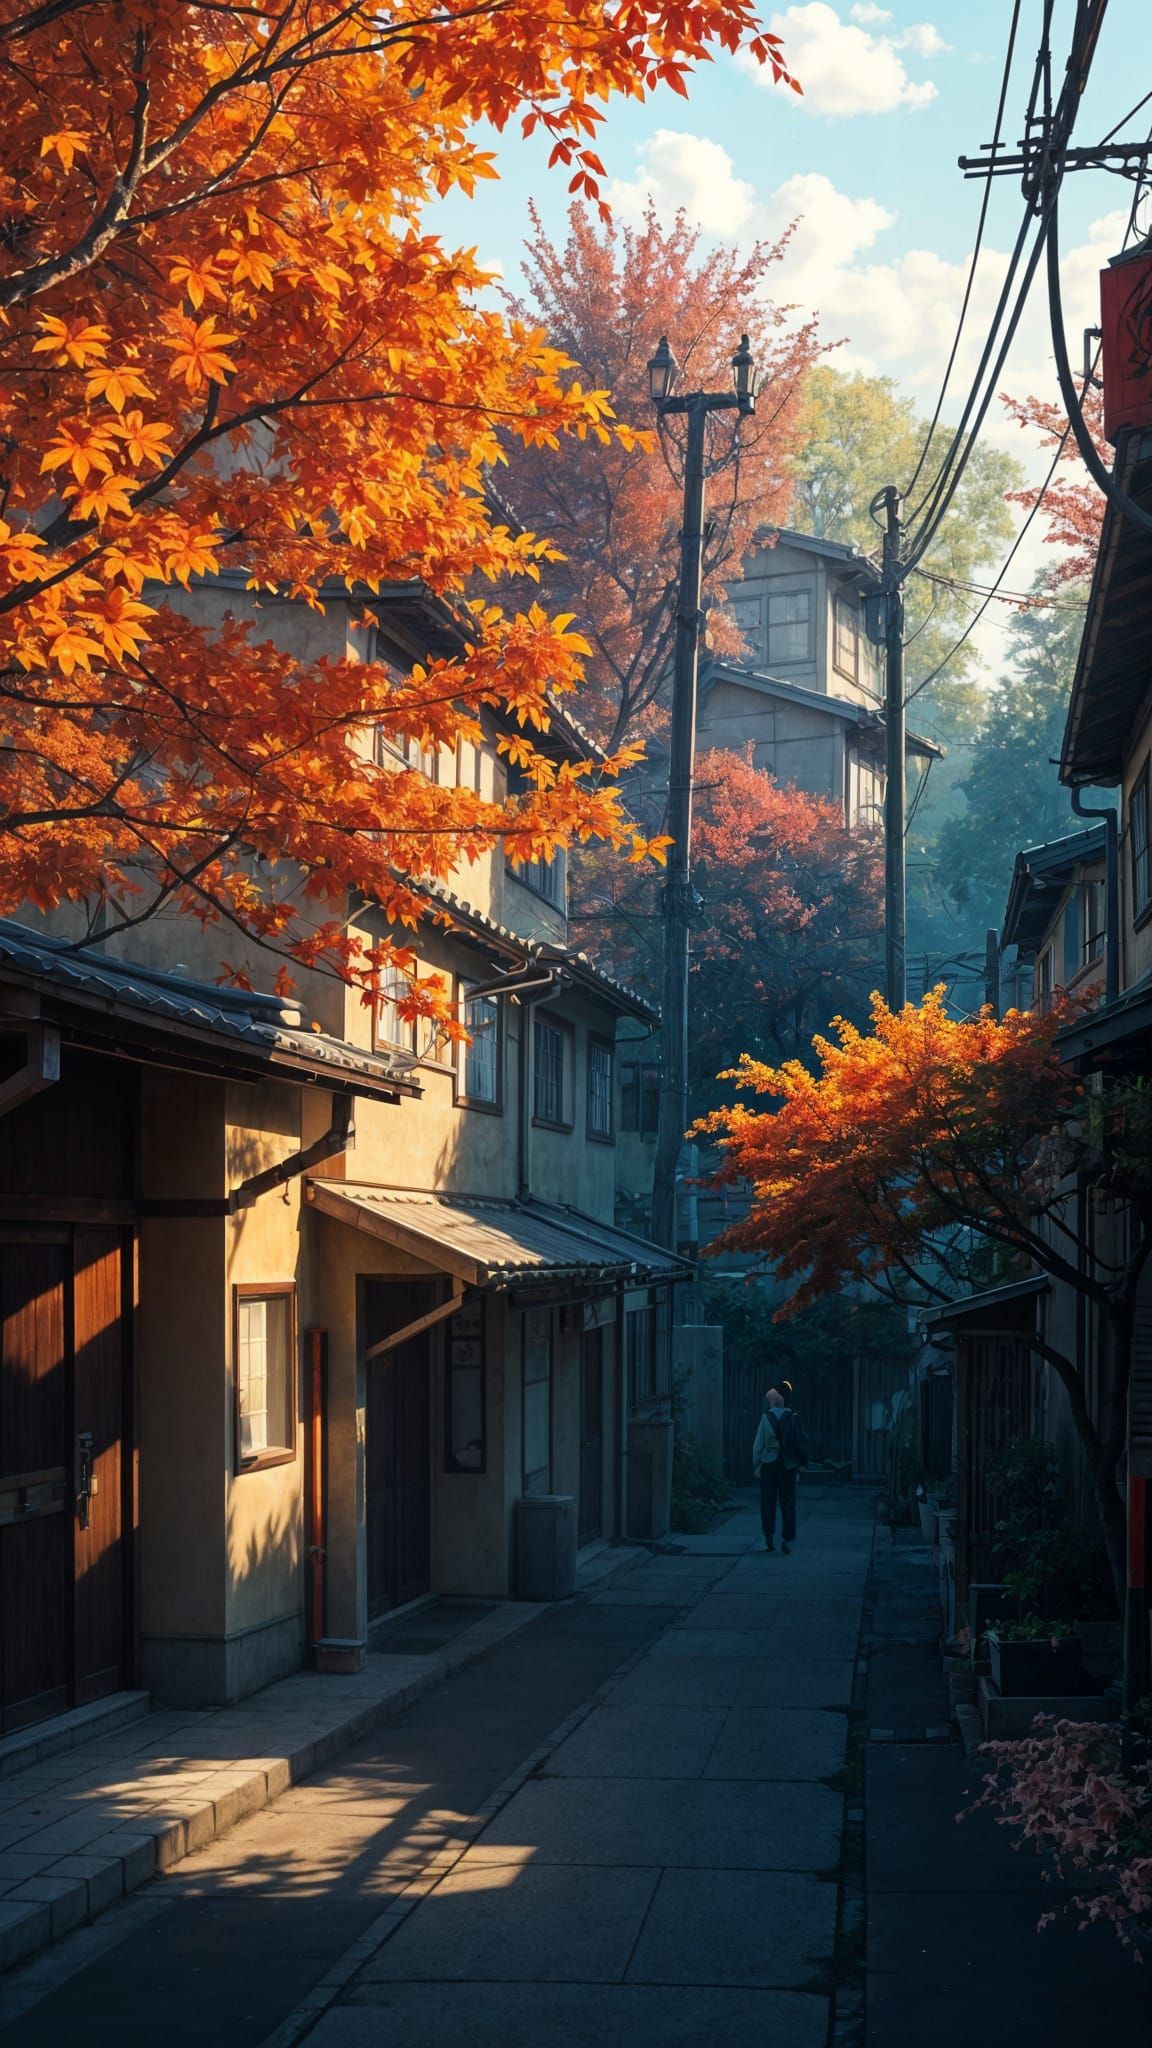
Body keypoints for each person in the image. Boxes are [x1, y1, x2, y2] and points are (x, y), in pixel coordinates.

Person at [752, 1385, 809, 1553]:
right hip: (788, 1465)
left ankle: (768, 1538)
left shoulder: (765, 1418)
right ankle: (788, 1538)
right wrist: (803, 1463)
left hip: (768, 1463)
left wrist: (756, 1465)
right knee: (788, 1502)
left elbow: (758, 1445)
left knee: (767, 1501)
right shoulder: (794, 1418)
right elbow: (802, 1442)